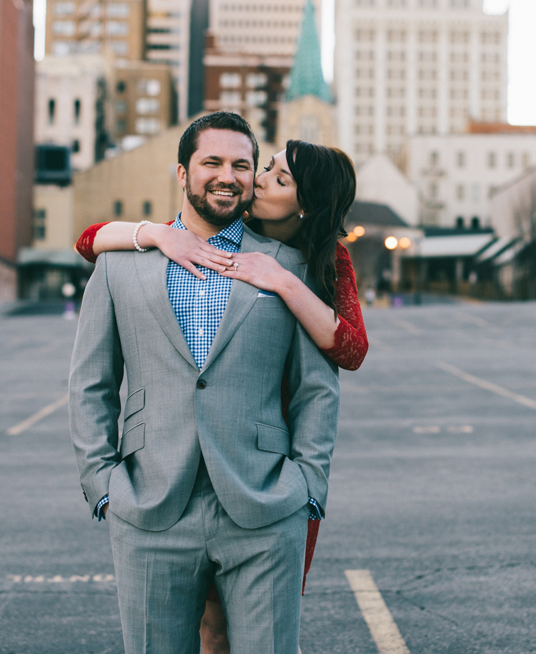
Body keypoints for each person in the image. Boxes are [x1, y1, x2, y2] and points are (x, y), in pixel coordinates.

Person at [75, 139, 369, 653]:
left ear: (305, 205)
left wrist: (307, 487)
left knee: (260, 636)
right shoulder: (164, 248)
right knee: (211, 631)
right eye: (267, 168)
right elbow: (88, 244)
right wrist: (104, 485)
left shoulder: (313, 263)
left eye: (274, 178)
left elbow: (341, 359)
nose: (253, 180)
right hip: (158, 491)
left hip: (266, 485)